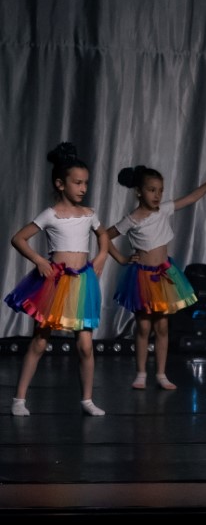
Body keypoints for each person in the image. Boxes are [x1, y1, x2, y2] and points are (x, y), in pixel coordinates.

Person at [5, 143, 110, 416]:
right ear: (60, 184)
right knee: (40, 341)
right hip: (56, 283)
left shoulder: (89, 213)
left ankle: (87, 400)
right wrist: (40, 261)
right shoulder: (51, 214)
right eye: (77, 182)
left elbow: (104, 235)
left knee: (85, 345)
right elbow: (19, 238)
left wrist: (101, 257)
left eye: (86, 183)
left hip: (82, 284)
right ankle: (19, 399)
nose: (83, 188)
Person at [106, 162, 206, 390]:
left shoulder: (163, 210)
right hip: (143, 278)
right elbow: (104, 235)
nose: (157, 195)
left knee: (162, 327)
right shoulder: (132, 218)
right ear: (139, 192)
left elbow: (192, 198)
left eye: (160, 190)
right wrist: (121, 258)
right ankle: (141, 373)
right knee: (144, 327)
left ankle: (161, 374)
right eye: (152, 190)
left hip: (164, 276)